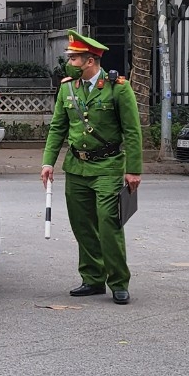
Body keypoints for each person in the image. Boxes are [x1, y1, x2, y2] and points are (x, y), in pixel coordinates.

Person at [40, 31, 143, 305]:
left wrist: (133, 169)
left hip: (108, 165)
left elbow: (132, 131)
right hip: (76, 166)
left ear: (90, 61)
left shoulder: (118, 88)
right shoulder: (67, 88)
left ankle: (119, 281)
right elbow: (58, 128)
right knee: (82, 225)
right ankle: (92, 278)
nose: (69, 62)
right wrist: (48, 162)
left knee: (109, 224)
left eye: (73, 58)